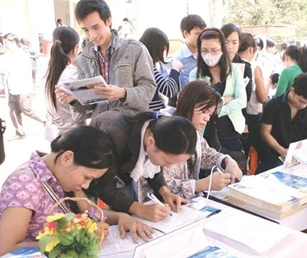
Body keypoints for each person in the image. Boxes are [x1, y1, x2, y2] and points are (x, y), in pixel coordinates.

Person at [0, 126, 154, 256]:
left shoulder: (61, 176)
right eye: (87, 177)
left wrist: (121, 217)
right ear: (67, 158)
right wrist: (72, 240)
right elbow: (5, 249)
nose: (86, 186)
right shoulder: (25, 186)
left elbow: (89, 212)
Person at [57, 0, 156, 119]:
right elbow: (86, 110)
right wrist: (74, 99)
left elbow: (149, 89)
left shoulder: (135, 49)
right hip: (101, 129)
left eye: (96, 27)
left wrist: (123, 93)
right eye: (85, 30)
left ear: (108, 21)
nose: (92, 35)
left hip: (131, 127)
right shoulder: (83, 59)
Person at [89, 108, 195, 221]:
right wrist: (139, 209)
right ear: (151, 142)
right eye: (168, 162)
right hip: (90, 172)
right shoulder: (115, 137)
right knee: (91, 215)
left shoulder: (155, 131)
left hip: (120, 168)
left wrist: (165, 192)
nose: (169, 167)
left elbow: (152, 167)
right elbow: (102, 186)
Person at [163, 81, 242, 199]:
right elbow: (163, 186)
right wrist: (201, 185)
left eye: (210, 114)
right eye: (203, 111)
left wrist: (226, 161)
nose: (206, 118)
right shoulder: (165, 132)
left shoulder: (192, 132)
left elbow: (206, 154)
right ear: (188, 104)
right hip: (163, 207)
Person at [189, 28, 247, 173]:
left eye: (214, 50)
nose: (209, 55)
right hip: (205, 132)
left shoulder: (234, 71)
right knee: (208, 174)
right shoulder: (194, 74)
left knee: (234, 174)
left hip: (230, 131)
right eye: (205, 51)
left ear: (222, 49)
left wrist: (216, 109)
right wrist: (224, 100)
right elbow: (195, 105)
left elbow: (242, 101)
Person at [258, 73, 307, 174]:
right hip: (274, 156)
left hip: (300, 158)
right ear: (293, 91)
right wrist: (282, 151)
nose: (304, 106)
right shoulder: (274, 105)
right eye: (301, 101)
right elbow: (265, 133)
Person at [2, 33, 46, 140]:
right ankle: (19, 132)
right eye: (4, 43)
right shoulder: (7, 56)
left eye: (6, 43)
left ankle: (44, 120)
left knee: (27, 110)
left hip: (23, 89)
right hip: (11, 89)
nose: (5, 45)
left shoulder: (23, 56)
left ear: (14, 42)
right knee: (13, 112)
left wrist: (28, 90)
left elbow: (29, 74)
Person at [45, 27, 86, 140]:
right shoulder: (73, 74)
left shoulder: (46, 71)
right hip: (73, 136)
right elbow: (78, 116)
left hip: (54, 133)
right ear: (75, 48)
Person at [238, 33, 269, 159]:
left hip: (236, 116)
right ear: (251, 49)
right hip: (253, 117)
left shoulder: (230, 65)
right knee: (252, 152)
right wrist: (270, 82)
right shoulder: (254, 67)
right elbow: (262, 97)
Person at [139, 28, 183, 111]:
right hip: (150, 112)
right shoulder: (147, 65)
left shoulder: (140, 62)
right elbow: (168, 90)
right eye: (163, 49)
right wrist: (175, 70)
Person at [173, 14, 207, 91]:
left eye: (204, 33)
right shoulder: (177, 59)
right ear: (186, 34)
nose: (202, 37)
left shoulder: (208, 55)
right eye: (197, 34)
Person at [221, 23, 252, 102]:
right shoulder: (213, 65)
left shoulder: (246, 67)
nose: (230, 47)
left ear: (239, 43)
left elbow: (246, 97)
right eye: (226, 42)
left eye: (234, 42)